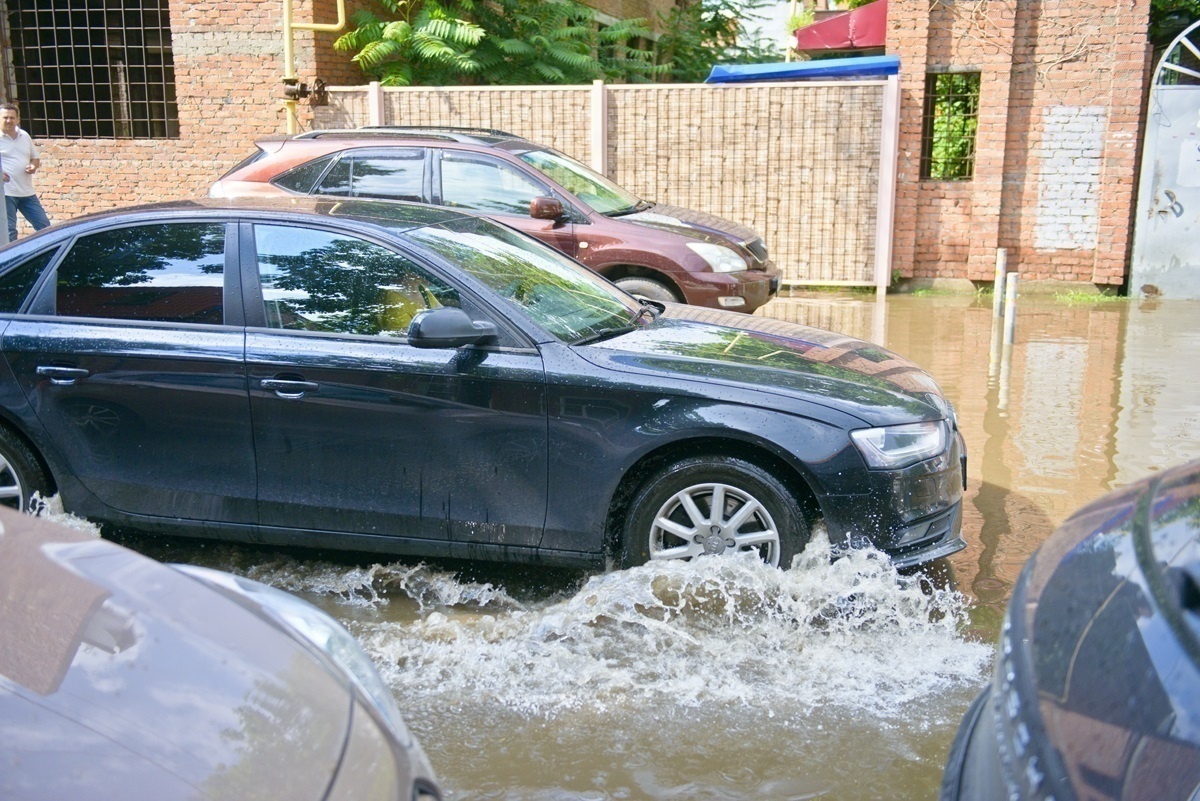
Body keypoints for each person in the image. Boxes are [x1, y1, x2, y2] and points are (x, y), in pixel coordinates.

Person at [0, 103, 50, 241]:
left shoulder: (24, 135)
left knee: (44, 226)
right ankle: (11, 261)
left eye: (12, 117)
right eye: (5, 117)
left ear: (17, 119)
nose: (8, 120)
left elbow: (35, 158)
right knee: (10, 233)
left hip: (27, 192)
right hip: (6, 193)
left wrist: (33, 166)